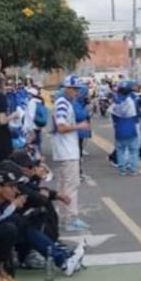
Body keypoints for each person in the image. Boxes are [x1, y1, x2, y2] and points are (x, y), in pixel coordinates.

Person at [51, 75, 88, 233]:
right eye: (75, 89)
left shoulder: (64, 103)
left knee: (64, 185)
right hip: (67, 151)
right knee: (71, 185)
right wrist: (79, 126)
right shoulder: (63, 104)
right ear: (68, 88)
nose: (77, 93)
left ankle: (64, 216)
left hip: (66, 150)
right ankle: (70, 218)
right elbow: (61, 127)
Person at [110, 81, 141, 175]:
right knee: (134, 151)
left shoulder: (115, 103)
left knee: (120, 151)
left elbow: (113, 117)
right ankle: (133, 170)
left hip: (119, 130)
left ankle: (122, 170)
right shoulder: (131, 101)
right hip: (131, 129)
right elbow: (136, 115)